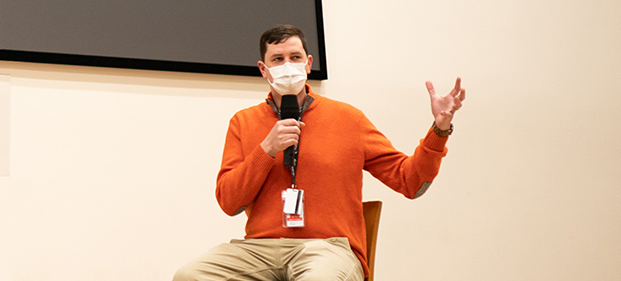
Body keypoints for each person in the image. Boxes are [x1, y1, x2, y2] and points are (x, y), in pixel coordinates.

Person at [173, 25, 466, 281]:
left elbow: (411, 182)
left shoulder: (348, 118)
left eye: (295, 57)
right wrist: (266, 150)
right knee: (189, 276)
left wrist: (439, 130)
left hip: (328, 248)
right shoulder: (243, 122)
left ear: (308, 63)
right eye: (277, 59)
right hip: (260, 250)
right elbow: (229, 202)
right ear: (263, 69)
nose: (287, 65)